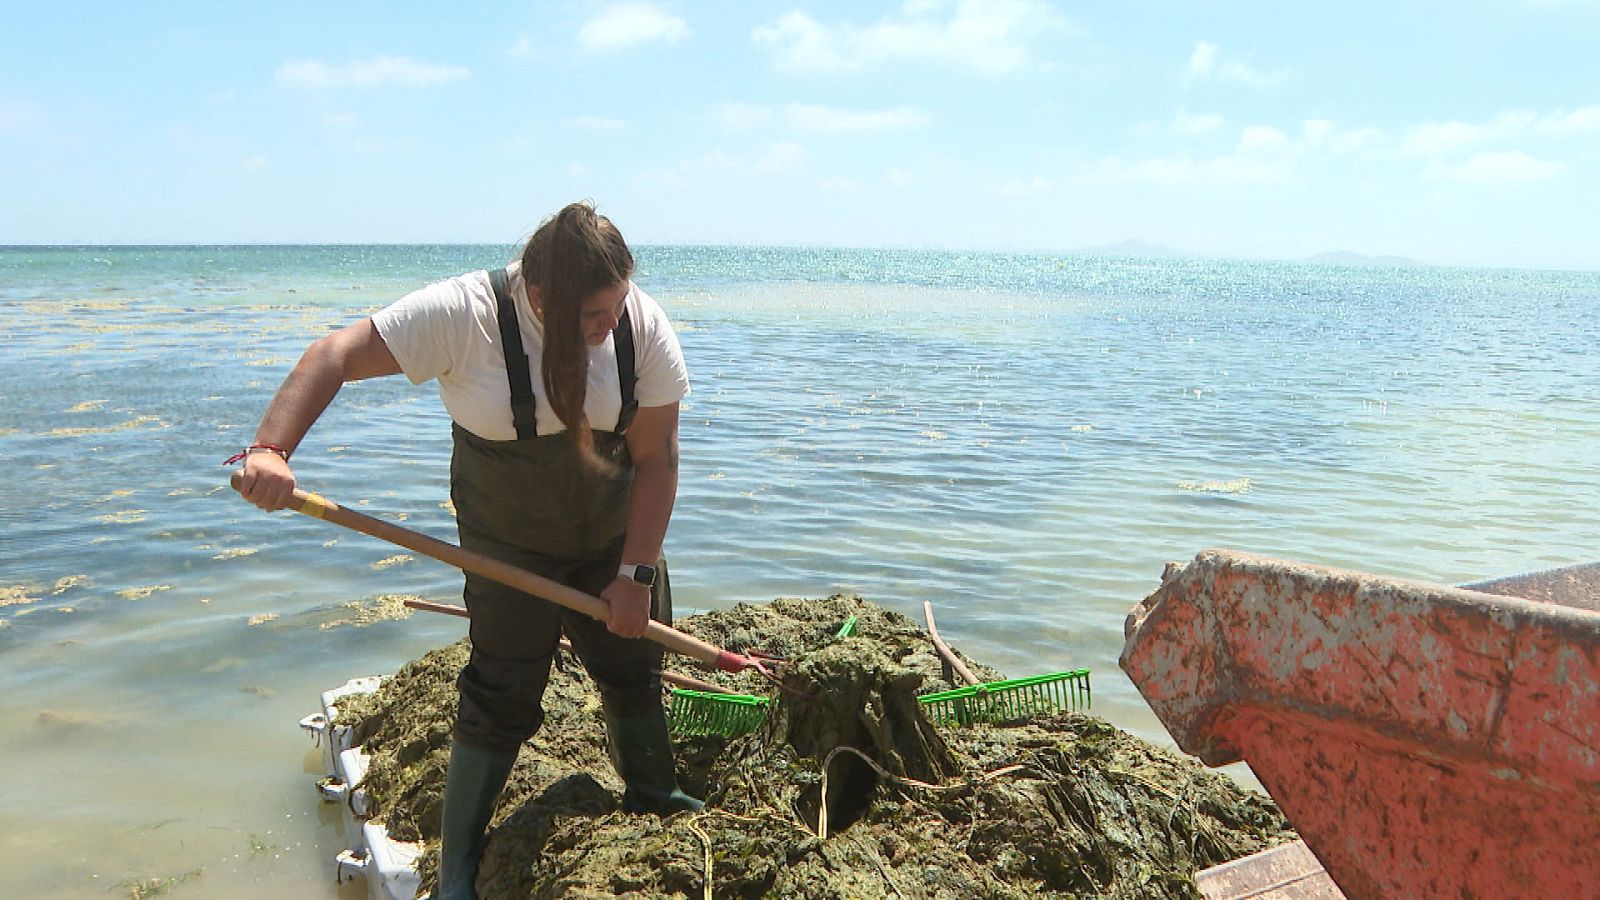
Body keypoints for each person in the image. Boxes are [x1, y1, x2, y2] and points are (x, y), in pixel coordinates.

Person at [232, 202, 702, 900]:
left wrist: (634, 575)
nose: (607, 328)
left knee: (632, 667)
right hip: (506, 549)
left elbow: (658, 459)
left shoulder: (640, 327)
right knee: (500, 695)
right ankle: (457, 874)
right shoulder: (465, 314)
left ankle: (655, 795)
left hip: (611, 538)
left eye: (614, 309)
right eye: (589, 318)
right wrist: (271, 449)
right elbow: (332, 354)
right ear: (538, 296)